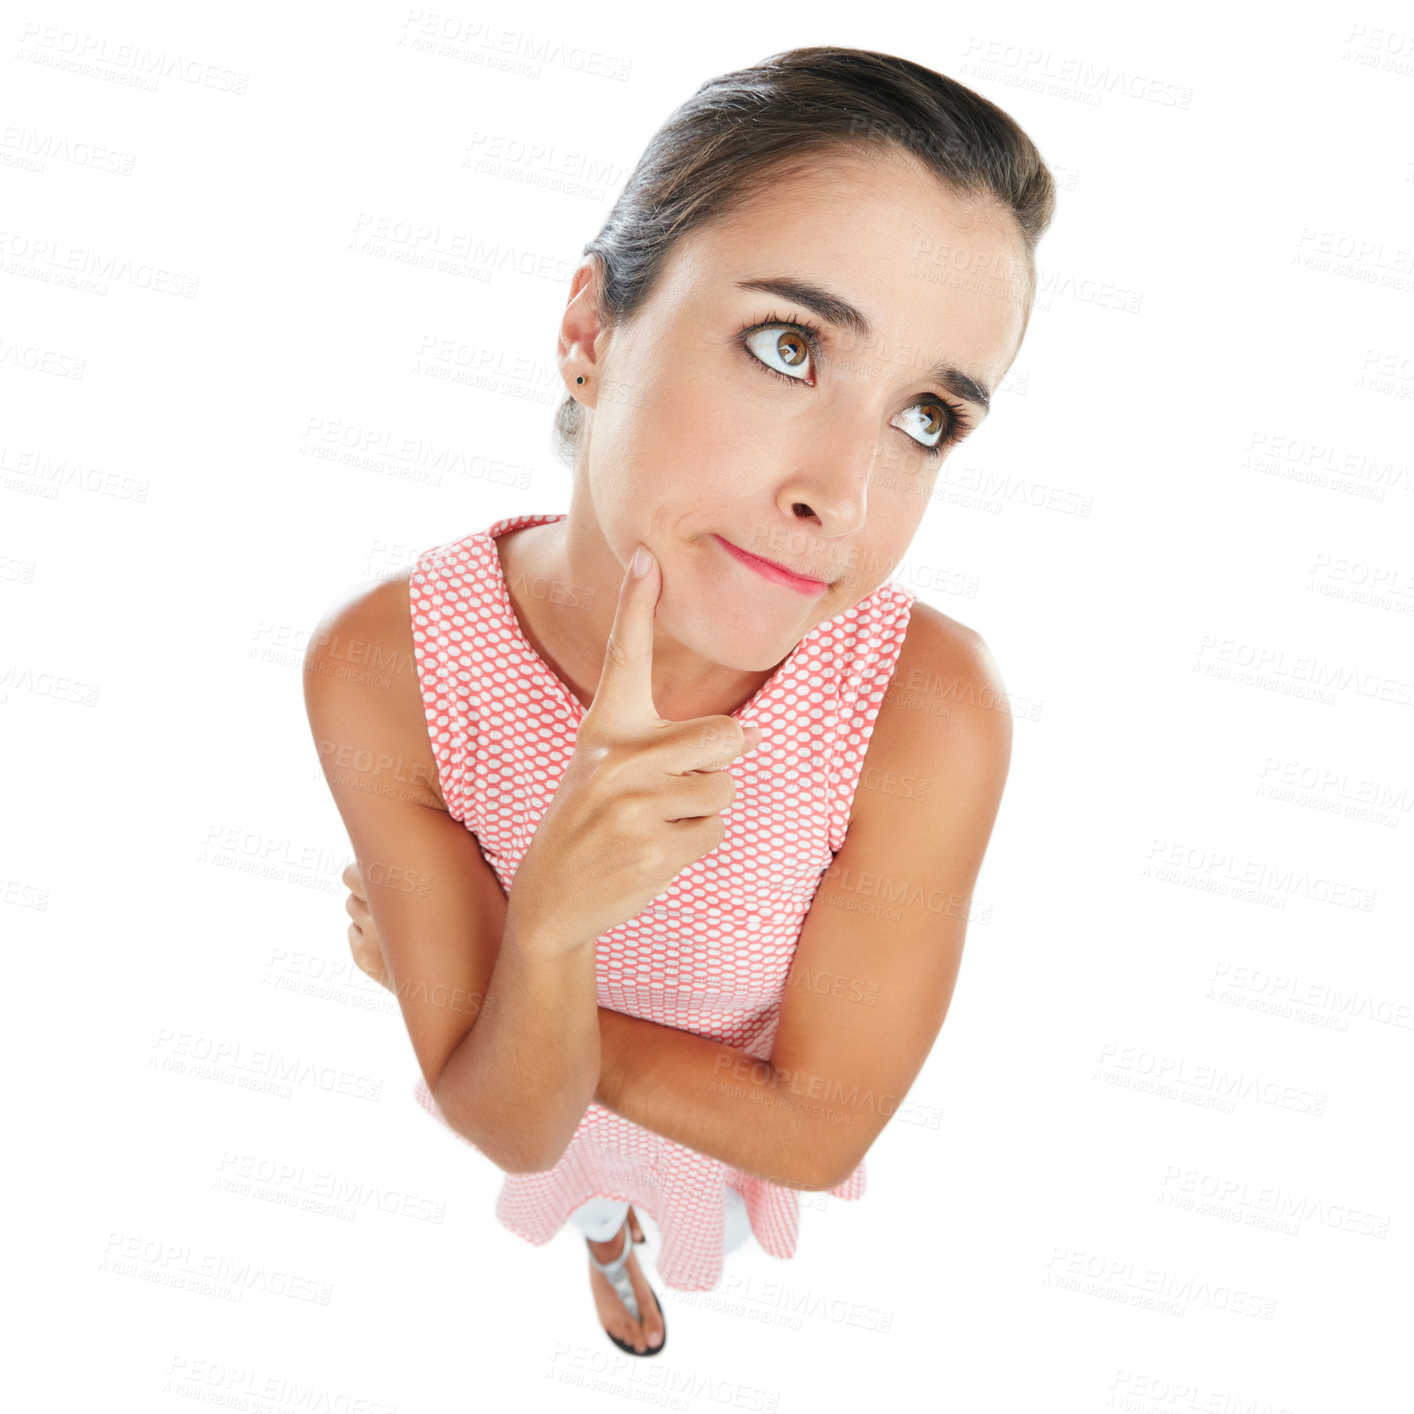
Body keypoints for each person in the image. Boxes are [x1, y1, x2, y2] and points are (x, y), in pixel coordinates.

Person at [303, 45, 1054, 1357]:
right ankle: (606, 1249)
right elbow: (513, 1124)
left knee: (649, 1165)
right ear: (590, 331)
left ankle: (630, 1231)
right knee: (585, 1181)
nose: (844, 495)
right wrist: (540, 934)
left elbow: (814, 1125)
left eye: (925, 417)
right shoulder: (387, 668)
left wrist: (503, 995)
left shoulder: (926, 712)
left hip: (682, 1095)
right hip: (562, 1085)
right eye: (788, 343)